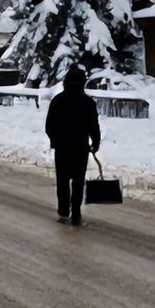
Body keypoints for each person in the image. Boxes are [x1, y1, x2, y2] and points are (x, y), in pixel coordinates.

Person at [45, 65, 100, 227]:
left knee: (62, 181)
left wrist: (55, 141)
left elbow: (49, 126)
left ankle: (63, 212)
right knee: (77, 182)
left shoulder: (58, 101)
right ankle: (76, 214)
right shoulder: (88, 103)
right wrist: (95, 143)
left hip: (62, 149)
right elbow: (93, 126)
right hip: (80, 149)